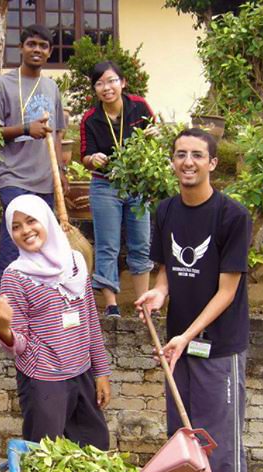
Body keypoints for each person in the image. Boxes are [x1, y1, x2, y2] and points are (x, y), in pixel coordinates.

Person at [135, 128, 251, 472]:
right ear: (172, 161)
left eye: (197, 155)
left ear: (212, 163)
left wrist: (188, 335)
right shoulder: (165, 211)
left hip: (217, 349)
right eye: (180, 154)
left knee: (218, 449)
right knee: (184, 444)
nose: (188, 162)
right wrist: (159, 295)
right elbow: (166, 273)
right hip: (177, 348)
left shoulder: (231, 215)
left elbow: (227, 291)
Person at [0, 194, 111, 450]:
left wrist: (102, 371)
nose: (25, 231)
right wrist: (3, 329)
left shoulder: (75, 262)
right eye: (16, 227)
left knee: (96, 447)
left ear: (46, 221)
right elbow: (19, 345)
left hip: (82, 372)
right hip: (44, 381)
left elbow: (90, 320)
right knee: (45, 456)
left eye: (31, 221)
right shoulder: (16, 276)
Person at [0, 24, 68, 293]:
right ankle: (5, 308)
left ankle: (34, 305)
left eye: (43, 46)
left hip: (45, 179)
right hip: (11, 176)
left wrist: (62, 171)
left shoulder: (52, 88)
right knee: (16, 238)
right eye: (31, 44)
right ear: (21, 47)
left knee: (40, 243)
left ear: (49, 52)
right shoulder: (1, 85)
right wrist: (25, 129)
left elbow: (56, 134)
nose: (37, 50)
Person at [80, 61, 156, 318]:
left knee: (141, 243)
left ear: (122, 83)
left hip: (136, 184)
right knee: (107, 245)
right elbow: (85, 155)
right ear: (95, 89)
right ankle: (111, 304)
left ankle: (144, 303)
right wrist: (94, 159)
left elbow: (155, 142)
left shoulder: (139, 106)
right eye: (100, 83)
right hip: (104, 184)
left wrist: (153, 137)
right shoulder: (91, 118)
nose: (106, 87)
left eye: (112, 81)